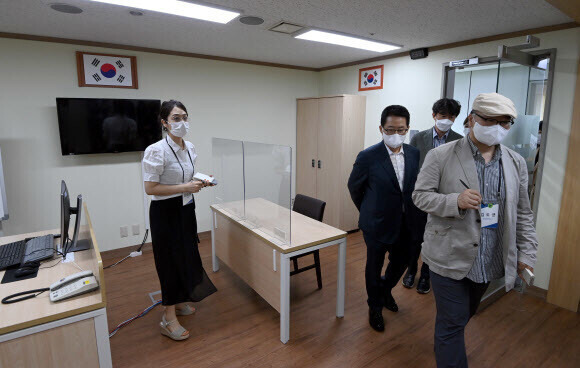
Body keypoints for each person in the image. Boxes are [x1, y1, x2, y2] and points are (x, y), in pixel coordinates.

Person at [412, 92, 538, 368]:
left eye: (504, 123)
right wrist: (453, 200)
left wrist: (527, 251)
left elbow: (522, 212)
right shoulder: (441, 155)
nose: (497, 127)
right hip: (448, 253)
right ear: (471, 119)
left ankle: (447, 334)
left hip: (489, 255)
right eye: (490, 120)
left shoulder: (515, 162)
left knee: (462, 315)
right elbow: (420, 196)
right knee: (453, 321)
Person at [142, 100, 217, 341]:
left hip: (186, 208)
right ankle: (168, 318)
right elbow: (151, 188)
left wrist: (201, 181)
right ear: (164, 123)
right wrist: (187, 186)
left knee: (187, 255)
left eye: (184, 117)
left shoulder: (190, 147)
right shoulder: (156, 150)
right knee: (169, 262)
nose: (182, 122)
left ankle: (180, 299)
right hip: (165, 213)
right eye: (176, 118)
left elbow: (186, 177)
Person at [348, 105, 421, 332]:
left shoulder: (414, 153)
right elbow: (354, 188)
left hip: (407, 223)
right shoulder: (368, 156)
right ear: (381, 128)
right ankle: (375, 307)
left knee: (402, 262)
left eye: (401, 129)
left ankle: (385, 290)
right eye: (390, 129)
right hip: (377, 224)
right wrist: (369, 210)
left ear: (408, 129)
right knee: (374, 266)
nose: (395, 134)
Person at [403, 98, 463, 294]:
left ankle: (426, 275)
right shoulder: (418, 138)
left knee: (434, 239)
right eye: (443, 116)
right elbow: (410, 168)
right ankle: (411, 270)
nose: (447, 120)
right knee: (415, 238)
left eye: (451, 116)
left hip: (443, 200)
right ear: (434, 115)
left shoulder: (459, 141)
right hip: (420, 197)